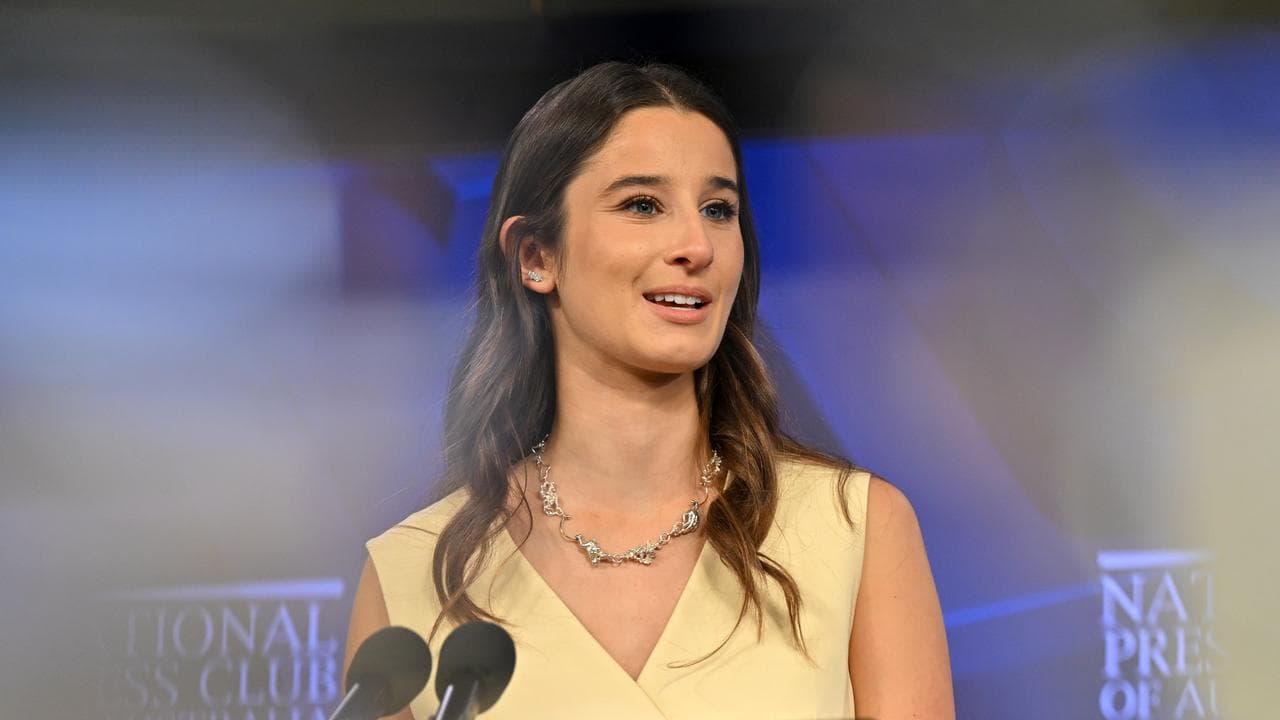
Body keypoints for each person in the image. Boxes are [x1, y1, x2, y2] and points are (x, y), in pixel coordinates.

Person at [345, 61, 954, 719]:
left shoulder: (854, 528)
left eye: (719, 210)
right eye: (642, 204)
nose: (697, 244)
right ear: (536, 257)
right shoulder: (414, 575)